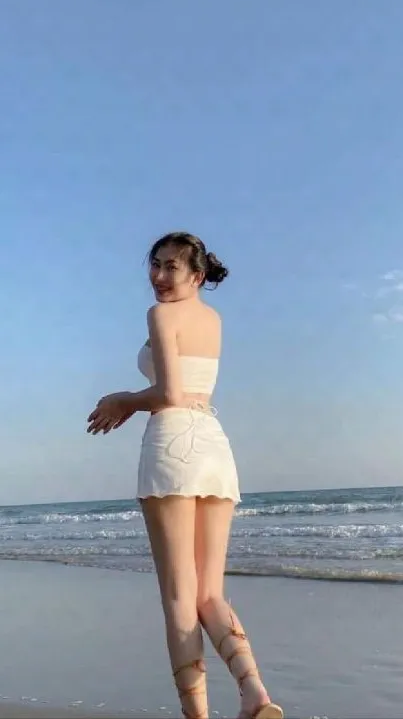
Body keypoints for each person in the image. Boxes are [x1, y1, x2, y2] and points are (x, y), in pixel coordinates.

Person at [87, 232, 283, 719]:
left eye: (170, 267)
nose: (157, 275)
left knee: (179, 597)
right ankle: (254, 691)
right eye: (154, 264)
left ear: (196, 275)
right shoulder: (213, 319)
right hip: (214, 444)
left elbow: (170, 394)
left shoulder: (160, 315)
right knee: (210, 593)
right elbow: (191, 387)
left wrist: (124, 401)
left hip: (173, 443)